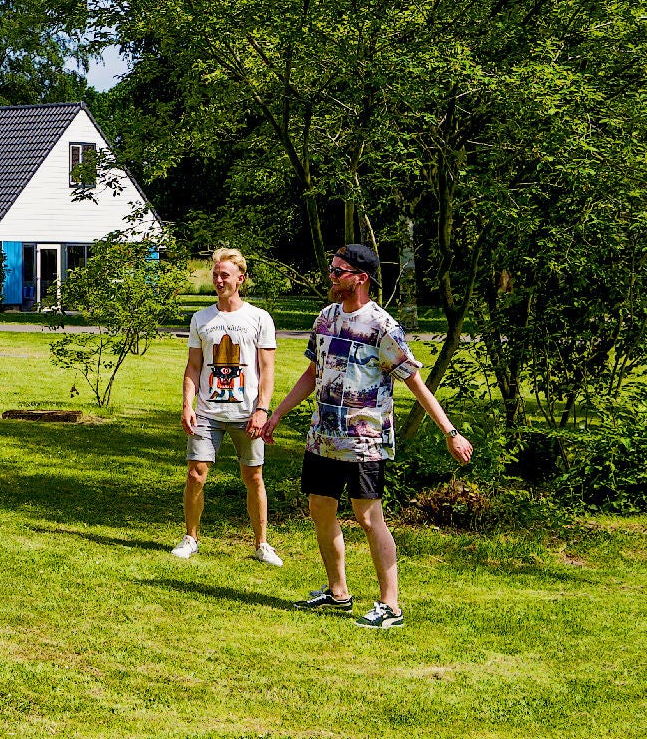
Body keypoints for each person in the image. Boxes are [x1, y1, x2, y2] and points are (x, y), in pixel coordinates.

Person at [258, 244, 473, 628]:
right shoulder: (325, 318)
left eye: (339, 271)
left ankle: (390, 606)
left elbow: (416, 384)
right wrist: (276, 414)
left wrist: (450, 432)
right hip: (323, 436)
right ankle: (337, 592)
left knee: (369, 517)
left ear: (361, 278)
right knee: (320, 509)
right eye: (331, 269)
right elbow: (312, 373)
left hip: (363, 440)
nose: (331, 276)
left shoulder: (382, 327)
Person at [175, 248, 280, 565]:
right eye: (216, 275)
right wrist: (187, 404)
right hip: (207, 412)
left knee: (254, 477)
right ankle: (191, 537)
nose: (219, 280)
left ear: (240, 278)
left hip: (247, 415)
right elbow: (193, 366)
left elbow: (267, 369)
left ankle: (262, 544)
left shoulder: (259, 318)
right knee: (196, 474)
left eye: (225, 275)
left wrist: (262, 409)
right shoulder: (201, 319)